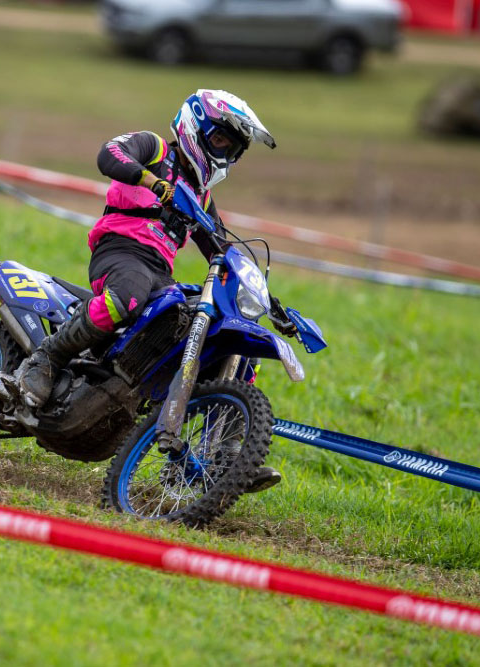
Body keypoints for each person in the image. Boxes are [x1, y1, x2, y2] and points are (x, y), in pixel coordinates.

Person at [18, 89, 296, 488]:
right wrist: (151, 180)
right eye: (219, 140)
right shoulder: (154, 149)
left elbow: (219, 245)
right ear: (195, 126)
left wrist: (270, 304)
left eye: (232, 148)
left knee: (223, 338)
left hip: (159, 271)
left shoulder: (202, 195)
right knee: (128, 296)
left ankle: (225, 457)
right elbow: (108, 155)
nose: (223, 152)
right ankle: (46, 358)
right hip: (120, 250)